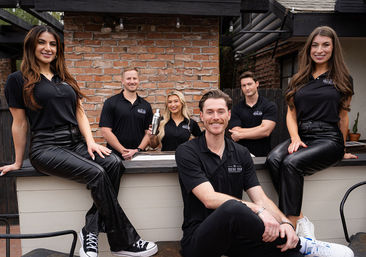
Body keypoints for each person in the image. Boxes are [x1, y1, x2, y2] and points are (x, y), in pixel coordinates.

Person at [0, 26, 157, 257]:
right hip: (46, 146)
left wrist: (91, 141)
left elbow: (79, 112)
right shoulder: (17, 80)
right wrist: (17, 161)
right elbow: (20, 123)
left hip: (75, 142)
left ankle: (90, 230)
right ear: (31, 46)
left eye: (53, 44)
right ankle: (125, 241)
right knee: (97, 173)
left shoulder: (64, 77)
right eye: (42, 42)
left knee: (113, 163)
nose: (48, 48)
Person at [175, 89, 353, 257]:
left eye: (221, 111)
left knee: (287, 250)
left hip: (235, 239)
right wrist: (259, 211)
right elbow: (209, 199)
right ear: (201, 116)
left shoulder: (241, 153)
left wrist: (285, 223)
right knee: (232, 207)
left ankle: (300, 245)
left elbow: (260, 197)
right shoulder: (187, 151)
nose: (216, 117)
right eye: (210, 112)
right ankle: (303, 244)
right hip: (199, 240)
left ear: (228, 115)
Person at [265, 26, 358, 240]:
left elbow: (343, 117)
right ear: (309, 49)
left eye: (325, 45)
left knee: (291, 163)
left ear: (334, 48)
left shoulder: (343, 79)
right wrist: (296, 138)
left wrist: (342, 148)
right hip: (303, 135)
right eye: (315, 45)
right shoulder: (299, 79)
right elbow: (290, 114)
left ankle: (291, 225)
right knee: (273, 159)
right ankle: (301, 217)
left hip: (329, 138)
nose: (319, 50)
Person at [99, 67, 152, 160]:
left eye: (134, 78)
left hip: (139, 156)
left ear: (138, 80)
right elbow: (105, 131)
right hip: (115, 157)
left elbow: (148, 132)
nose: (132, 81)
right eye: (128, 78)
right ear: (122, 81)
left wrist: (137, 150)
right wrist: (123, 151)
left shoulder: (146, 105)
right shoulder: (111, 102)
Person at [228, 71, 277, 157]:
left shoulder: (269, 105)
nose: (247, 88)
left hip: (262, 155)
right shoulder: (236, 108)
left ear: (257, 84)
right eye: (244, 85)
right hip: (240, 155)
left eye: (249, 84)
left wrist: (240, 135)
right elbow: (235, 131)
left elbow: (266, 131)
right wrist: (260, 128)